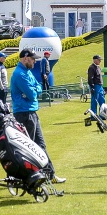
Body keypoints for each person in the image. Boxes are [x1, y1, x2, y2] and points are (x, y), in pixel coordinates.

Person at [10, 48, 65, 184]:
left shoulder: (27, 72)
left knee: (41, 145)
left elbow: (38, 87)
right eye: (32, 59)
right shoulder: (20, 74)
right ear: (25, 58)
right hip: (24, 114)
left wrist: (34, 90)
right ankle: (33, 176)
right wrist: (33, 91)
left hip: (30, 112)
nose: (34, 61)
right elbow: (32, 94)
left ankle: (49, 174)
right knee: (31, 148)